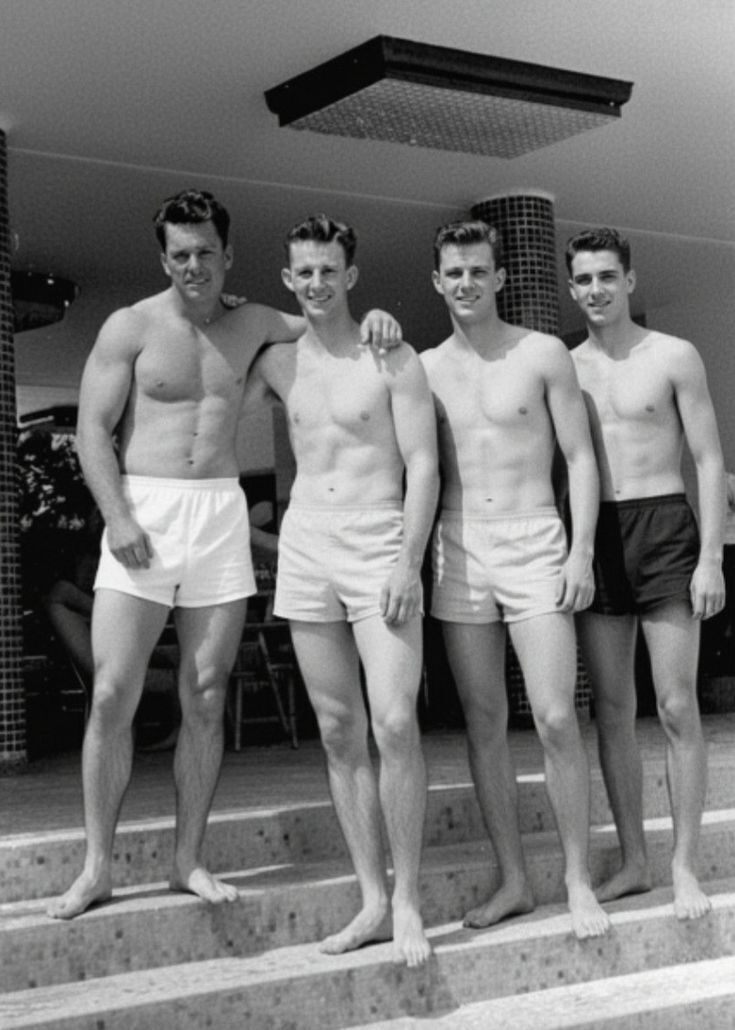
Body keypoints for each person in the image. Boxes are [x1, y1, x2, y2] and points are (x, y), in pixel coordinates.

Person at [47, 189, 401, 920]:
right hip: (143, 511)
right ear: (163, 259)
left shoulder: (258, 323)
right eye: (180, 254)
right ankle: (96, 867)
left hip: (216, 515)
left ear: (229, 255)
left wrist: (378, 318)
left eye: (206, 252)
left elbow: (326, 320)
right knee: (112, 691)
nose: (194, 266)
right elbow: (91, 431)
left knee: (206, 694)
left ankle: (187, 860)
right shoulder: (130, 327)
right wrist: (118, 517)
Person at [244, 214, 439, 967]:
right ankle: (372, 900)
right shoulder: (276, 362)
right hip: (307, 544)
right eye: (305, 272)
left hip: (379, 539)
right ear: (288, 279)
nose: (318, 283)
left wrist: (408, 562)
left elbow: (423, 465)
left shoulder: (392, 357)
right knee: (336, 729)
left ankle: (410, 900)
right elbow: (214, 343)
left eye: (330, 270)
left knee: (394, 721)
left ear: (350, 276)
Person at [422, 219, 610, 940]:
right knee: (483, 720)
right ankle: (513, 880)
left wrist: (580, 550)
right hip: (458, 545)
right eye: (454, 272)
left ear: (499, 277)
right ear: (436, 282)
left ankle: (576, 880)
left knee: (557, 716)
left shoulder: (541, 354)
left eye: (478, 270)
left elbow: (580, 457)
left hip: (534, 539)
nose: (466, 282)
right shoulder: (423, 368)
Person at [566, 227, 726, 920]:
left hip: (663, 526)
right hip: (597, 531)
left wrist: (711, 557)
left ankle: (683, 866)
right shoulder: (564, 366)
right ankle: (634, 860)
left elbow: (709, 461)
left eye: (607, 276)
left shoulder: (672, 355)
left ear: (629, 281)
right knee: (611, 709)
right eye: (584, 279)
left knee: (675, 704)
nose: (596, 289)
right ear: (571, 289)